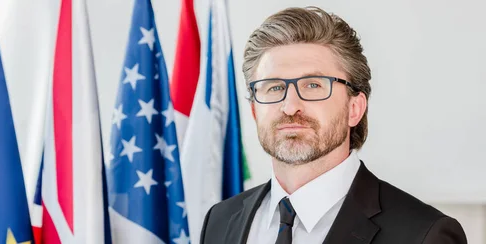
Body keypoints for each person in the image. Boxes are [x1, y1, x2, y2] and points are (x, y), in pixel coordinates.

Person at [199, 6, 467, 244]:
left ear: (354, 109)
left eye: (313, 85)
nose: (290, 106)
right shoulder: (220, 220)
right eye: (274, 87)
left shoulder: (425, 234)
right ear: (255, 110)